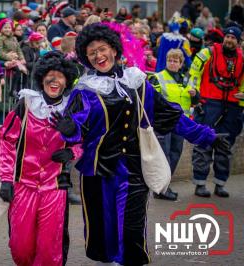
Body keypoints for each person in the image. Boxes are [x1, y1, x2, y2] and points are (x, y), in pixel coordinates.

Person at [52, 23, 228, 265]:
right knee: (105, 225)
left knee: (132, 226)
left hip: (134, 167)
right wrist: (68, 134)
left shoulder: (137, 82)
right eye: (92, 53)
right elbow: (74, 126)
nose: (98, 56)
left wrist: (205, 136)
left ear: (114, 49)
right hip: (97, 170)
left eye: (102, 49)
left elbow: (169, 114)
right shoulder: (84, 90)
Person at [0, 51, 81, 266]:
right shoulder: (25, 105)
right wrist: (7, 179)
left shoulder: (72, 110)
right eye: (50, 75)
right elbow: (7, 142)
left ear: (67, 81)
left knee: (48, 249)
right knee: (20, 248)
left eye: (60, 76)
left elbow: (85, 140)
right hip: (23, 185)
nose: (54, 81)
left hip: (54, 187)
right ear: (42, 77)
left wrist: (72, 151)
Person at [188, 26, 244, 197]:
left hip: (233, 106)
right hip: (208, 103)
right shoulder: (208, 53)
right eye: (227, 36)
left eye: (233, 38)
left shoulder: (242, 58)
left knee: (226, 146)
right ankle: (200, 183)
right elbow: (194, 73)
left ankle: (220, 183)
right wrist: (194, 93)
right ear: (223, 38)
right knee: (203, 142)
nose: (229, 40)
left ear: (238, 41)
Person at [149, 49, 196, 201]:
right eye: (170, 60)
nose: (172, 63)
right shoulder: (158, 77)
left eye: (176, 61)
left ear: (181, 63)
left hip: (180, 122)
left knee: (175, 153)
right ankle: (162, 189)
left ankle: (164, 186)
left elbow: (192, 102)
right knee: (164, 155)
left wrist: (196, 95)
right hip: (163, 122)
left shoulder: (185, 79)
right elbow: (152, 100)